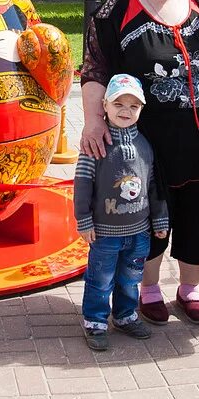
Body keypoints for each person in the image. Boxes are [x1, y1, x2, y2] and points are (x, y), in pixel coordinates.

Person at [80, 0, 199, 325]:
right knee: (148, 217)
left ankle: (190, 288)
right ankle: (148, 289)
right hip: (145, 145)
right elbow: (94, 70)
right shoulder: (116, 9)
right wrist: (93, 123)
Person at [74, 74, 170, 351]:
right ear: (104, 105)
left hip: (139, 232)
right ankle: (95, 321)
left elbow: (153, 184)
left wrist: (159, 218)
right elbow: (82, 184)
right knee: (100, 279)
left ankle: (126, 315)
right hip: (105, 233)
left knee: (131, 278)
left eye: (133, 106)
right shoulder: (96, 144)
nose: (125, 111)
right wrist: (84, 220)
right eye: (118, 104)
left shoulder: (144, 145)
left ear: (142, 109)